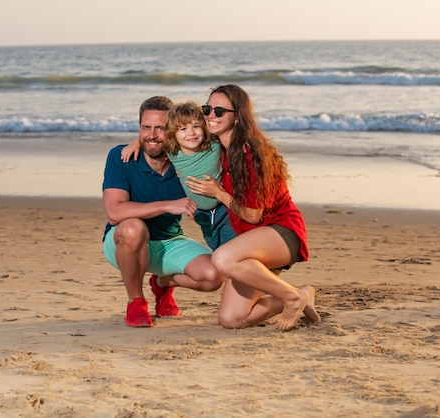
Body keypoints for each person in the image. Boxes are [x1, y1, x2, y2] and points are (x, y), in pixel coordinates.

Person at [184, 84, 321, 331]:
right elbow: (174, 130)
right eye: (207, 109)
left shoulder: (250, 153)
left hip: (280, 232)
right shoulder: (218, 148)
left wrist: (218, 194)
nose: (210, 116)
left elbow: (254, 215)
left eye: (219, 111)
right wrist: (137, 143)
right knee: (231, 319)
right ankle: (301, 294)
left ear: (237, 116)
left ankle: (292, 299)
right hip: (251, 246)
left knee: (223, 258)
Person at [102, 95, 224, 328]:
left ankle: (163, 283)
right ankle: (136, 301)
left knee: (213, 277)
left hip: (170, 241)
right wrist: (169, 205)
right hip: (123, 241)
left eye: (160, 128)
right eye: (145, 127)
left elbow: (212, 134)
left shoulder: (186, 161)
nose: (152, 134)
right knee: (133, 227)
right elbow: (114, 212)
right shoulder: (122, 157)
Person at [121, 101, 236, 250]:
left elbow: (230, 133)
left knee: (229, 249)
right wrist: (135, 143)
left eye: (196, 126)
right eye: (183, 128)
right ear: (173, 133)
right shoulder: (173, 152)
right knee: (216, 246)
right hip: (202, 215)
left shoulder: (213, 145)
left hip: (224, 209)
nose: (191, 133)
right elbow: (153, 139)